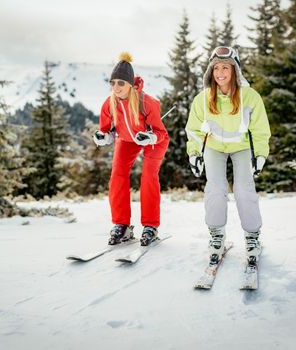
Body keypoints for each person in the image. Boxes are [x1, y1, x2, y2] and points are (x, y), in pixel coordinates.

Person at [185, 46, 271, 265]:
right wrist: (194, 153)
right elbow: (194, 129)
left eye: (225, 67)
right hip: (214, 147)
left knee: (243, 189)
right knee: (215, 188)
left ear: (235, 71)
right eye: (216, 68)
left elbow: (260, 129)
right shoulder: (203, 99)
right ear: (210, 72)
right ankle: (216, 235)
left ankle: (252, 238)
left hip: (241, 147)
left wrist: (260, 155)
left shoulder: (250, 97)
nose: (220, 73)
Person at [93, 52, 169, 246]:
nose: (116, 87)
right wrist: (103, 137)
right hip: (127, 140)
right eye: (113, 83)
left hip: (153, 141)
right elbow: (106, 130)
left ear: (129, 84)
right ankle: (122, 225)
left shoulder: (146, 103)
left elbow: (161, 133)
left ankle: (150, 226)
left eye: (120, 83)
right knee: (117, 174)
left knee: (148, 176)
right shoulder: (109, 104)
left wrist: (149, 136)